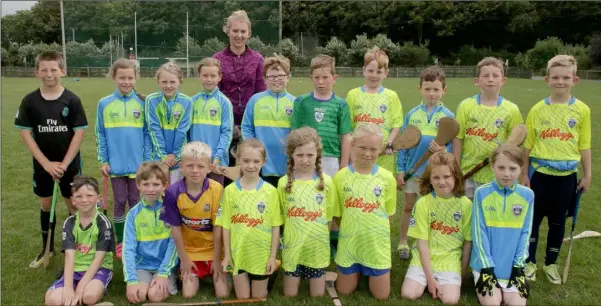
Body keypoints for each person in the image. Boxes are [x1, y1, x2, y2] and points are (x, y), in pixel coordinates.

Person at [521, 55, 592, 284]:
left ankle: (550, 263)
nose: (560, 81)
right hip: (539, 175)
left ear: (575, 80)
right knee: (532, 222)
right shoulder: (537, 109)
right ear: (547, 79)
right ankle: (529, 262)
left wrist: (588, 174)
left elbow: (584, 146)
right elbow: (528, 146)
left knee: (558, 223)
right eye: (555, 77)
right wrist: (524, 173)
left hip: (567, 178)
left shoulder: (582, 110)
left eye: (565, 77)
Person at [15, 51, 88, 269]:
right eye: (44, 70)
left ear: (62, 71)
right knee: (46, 203)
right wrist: (46, 164)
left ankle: (73, 245)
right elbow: (26, 133)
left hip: (69, 164)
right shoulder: (29, 101)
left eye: (53, 69)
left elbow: (79, 133)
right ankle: (46, 248)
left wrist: (64, 164)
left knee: (72, 204)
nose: (49, 74)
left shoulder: (72, 99)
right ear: (37, 72)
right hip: (43, 164)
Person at [333, 123, 397, 300]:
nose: (367, 154)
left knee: (381, 296)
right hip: (349, 243)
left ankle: (370, 268)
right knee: (345, 291)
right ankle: (357, 269)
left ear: (380, 149)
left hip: (375, 245)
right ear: (352, 144)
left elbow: (389, 214)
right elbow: (337, 216)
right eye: (362, 147)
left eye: (373, 149)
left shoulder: (386, 178)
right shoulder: (341, 177)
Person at [396, 66, 454, 260]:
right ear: (420, 88)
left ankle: (424, 244)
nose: (431, 93)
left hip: (433, 174)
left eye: (436, 89)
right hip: (413, 171)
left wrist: (444, 151)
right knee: (408, 207)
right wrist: (399, 170)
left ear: (444, 90)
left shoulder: (448, 116)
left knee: (430, 210)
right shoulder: (412, 114)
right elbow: (403, 144)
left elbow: (452, 149)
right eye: (427, 89)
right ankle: (403, 241)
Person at [159, 142, 230, 298]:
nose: (195, 171)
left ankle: (222, 272)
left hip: (215, 250)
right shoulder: (172, 192)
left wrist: (217, 259)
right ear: (181, 166)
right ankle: (190, 272)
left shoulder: (217, 189)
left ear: (209, 167)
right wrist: (184, 259)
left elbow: (218, 228)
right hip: (190, 251)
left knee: (223, 293)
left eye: (200, 166)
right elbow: (175, 230)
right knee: (188, 294)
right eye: (190, 166)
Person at [96, 58, 151, 259]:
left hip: (138, 165)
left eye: (130, 78)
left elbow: (147, 134)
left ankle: (136, 237)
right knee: (119, 200)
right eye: (122, 78)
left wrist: (146, 161)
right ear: (114, 78)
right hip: (116, 165)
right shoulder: (105, 104)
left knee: (136, 200)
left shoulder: (143, 103)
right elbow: (100, 133)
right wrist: (104, 160)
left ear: (136, 78)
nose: (126, 82)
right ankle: (120, 241)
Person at [400, 152, 471, 305]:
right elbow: (422, 242)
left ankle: (439, 282)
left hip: (449, 257)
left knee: (450, 300)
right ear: (430, 179)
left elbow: (468, 241)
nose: (442, 182)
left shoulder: (466, 205)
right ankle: (429, 281)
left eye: (447, 177)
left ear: (456, 177)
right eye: (436, 177)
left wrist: (462, 271)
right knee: (409, 294)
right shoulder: (423, 203)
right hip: (424, 256)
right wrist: (431, 279)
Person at [217, 139, 283, 299]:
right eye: (246, 161)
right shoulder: (230, 190)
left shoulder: (271, 191)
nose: (251, 165)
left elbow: (275, 226)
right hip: (238, 253)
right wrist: (227, 255)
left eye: (256, 161)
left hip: (261, 254)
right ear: (238, 160)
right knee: (243, 298)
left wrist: (273, 257)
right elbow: (225, 225)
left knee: (259, 298)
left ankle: (272, 271)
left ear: (263, 162)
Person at [452, 57, 523, 200]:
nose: (490, 79)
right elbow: (458, 139)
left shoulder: (511, 109)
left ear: (503, 80)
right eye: (485, 75)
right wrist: (456, 169)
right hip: (468, 172)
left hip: (496, 175)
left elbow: (516, 140)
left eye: (495, 76)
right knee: (469, 216)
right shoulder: (466, 106)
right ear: (477, 81)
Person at [471, 144, 533, 306]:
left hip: (511, 268)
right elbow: (479, 233)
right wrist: (486, 268)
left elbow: (525, 234)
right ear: (492, 167)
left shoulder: (527, 195)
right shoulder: (481, 193)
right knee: (492, 303)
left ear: (521, 169)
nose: (506, 174)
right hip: (485, 267)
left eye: (513, 169)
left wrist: (518, 268)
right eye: (501, 167)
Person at [278, 127, 337, 297]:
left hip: (316, 247)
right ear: (291, 156)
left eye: (310, 155)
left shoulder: (326, 182)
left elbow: (329, 216)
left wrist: (323, 241)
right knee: (290, 295)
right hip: (293, 246)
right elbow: (282, 217)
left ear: (317, 155)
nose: (305, 160)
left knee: (317, 296)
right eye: (300, 155)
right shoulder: (283, 184)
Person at [214, 10, 267, 186]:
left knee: (248, 172)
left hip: (250, 125)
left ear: (249, 34)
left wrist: (247, 127)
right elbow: (216, 95)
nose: (239, 35)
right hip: (224, 125)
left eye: (243, 32)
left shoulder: (258, 59)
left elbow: (261, 93)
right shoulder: (217, 59)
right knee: (224, 173)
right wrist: (230, 126)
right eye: (235, 31)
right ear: (228, 31)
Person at [44, 176, 115, 306]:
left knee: (88, 297)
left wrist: (81, 286)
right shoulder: (69, 223)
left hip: (99, 268)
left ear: (99, 198)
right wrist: (69, 289)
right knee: (52, 301)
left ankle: (96, 290)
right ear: (73, 200)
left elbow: (98, 259)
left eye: (89, 195)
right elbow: (69, 256)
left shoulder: (103, 223)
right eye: (78, 196)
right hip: (76, 268)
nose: (84, 200)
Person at [123, 162, 178, 304]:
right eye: (146, 184)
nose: (151, 189)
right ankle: (145, 283)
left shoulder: (171, 210)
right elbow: (128, 249)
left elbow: (174, 245)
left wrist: (163, 273)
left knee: (155, 296)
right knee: (138, 297)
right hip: (142, 266)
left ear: (165, 185)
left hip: (164, 267)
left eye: (156, 184)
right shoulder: (133, 214)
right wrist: (131, 280)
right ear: (138, 185)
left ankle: (168, 280)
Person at [291, 54, 352, 178]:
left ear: (334, 78)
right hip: (304, 157)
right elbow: (294, 134)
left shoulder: (341, 104)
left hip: (330, 157)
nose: (320, 82)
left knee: (328, 194)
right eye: (316, 77)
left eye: (325, 77)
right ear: (311, 77)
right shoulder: (301, 102)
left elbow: (346, 137)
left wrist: (344, 165)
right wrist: (293, 159)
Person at [346, 46, 403, 174]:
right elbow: (347, 127)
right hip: (359, 153)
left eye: (379, 72)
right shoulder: (353, 95)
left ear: (386, 73)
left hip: (383, 156)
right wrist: (350, 151)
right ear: (363, 70)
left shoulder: (391, 96)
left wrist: (390, 142)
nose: (374, 75)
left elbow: (396, 124)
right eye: (370, 71)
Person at [242, 54, 296, 187]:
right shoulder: (255, 100)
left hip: (286, 165)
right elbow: (247, 127)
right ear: (265, 79)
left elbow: (297, 134)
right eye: (271, 76)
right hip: (260, 165)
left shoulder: (295, 102)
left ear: (288, 77)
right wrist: (254, 150)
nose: (276, 79)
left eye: (280, 76)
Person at [189, 57, 233, 186]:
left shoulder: (224, 102)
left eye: (213, 76)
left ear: (219, 77)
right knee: (195, 195)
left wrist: (218, 156)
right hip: (195, 160)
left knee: (214, 198)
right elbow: (186, 132)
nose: (209, 79)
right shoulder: (191, 101)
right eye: (205, 75)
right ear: (199, 76)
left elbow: (227, 133)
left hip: (215, 162)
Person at [146, 62, 192, 184]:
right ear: (158, 82)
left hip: (178, 159)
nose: (168, 86)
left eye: (172, 82)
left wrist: (174, 156)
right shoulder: (151, 100)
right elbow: (153, 129)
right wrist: (163, 157)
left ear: (180, 81)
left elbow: (183, 131)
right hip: (158, 158)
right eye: (164, 82)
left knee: (176, 193)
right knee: (157, 193)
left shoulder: (187, 102)